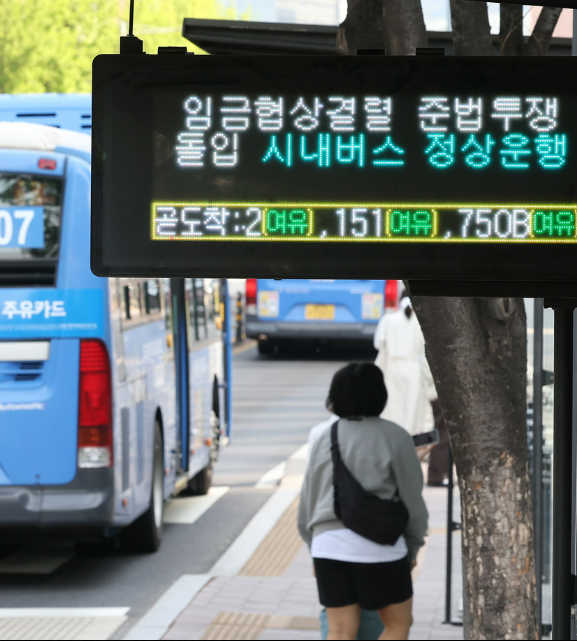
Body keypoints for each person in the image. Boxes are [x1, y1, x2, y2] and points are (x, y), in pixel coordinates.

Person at [298, 363, 428, 641]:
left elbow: (307, 502)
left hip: (328, 547)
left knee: (339, 632)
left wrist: (314, 548)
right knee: (397, 624)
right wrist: (413, 548)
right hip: (381, 547)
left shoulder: (323, 436)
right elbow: (413, 504)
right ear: (380, 395)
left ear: (335, 397)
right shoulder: (395, 436)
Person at [373, 291, 429, 436]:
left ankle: (390, 437)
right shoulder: (421, 322)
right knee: (411, 410)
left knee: (392, 407)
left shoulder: (388, 320)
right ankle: (407, 440)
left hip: (392, 369)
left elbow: (379, 344)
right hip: (413, 369)